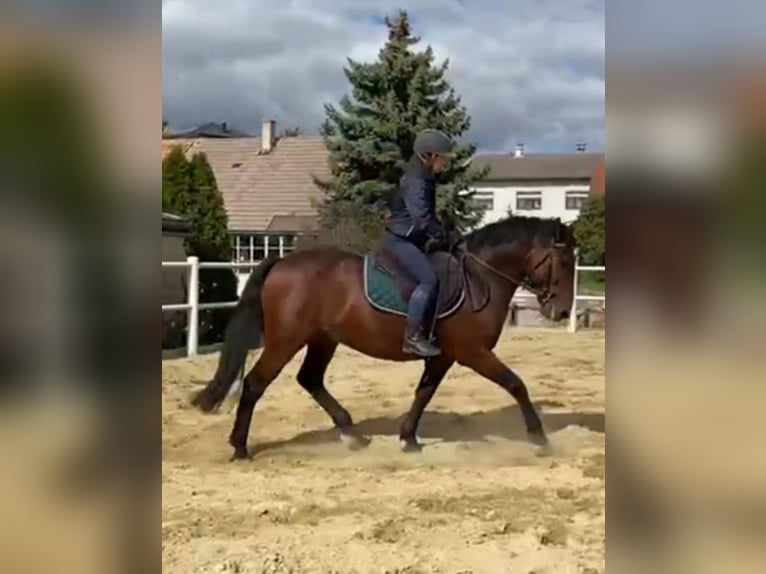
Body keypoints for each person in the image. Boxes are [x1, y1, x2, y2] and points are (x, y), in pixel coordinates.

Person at [383, 129, 460, 357]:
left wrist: (446, 232)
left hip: (414, 237)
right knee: (428, 279)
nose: (444, 163)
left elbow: (430, 216)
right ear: (429, 155)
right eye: (442, 158)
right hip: (401, 239)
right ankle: (412, 337)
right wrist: (445, 236)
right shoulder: (416, 179)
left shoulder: (425, 175)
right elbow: (422, 219)